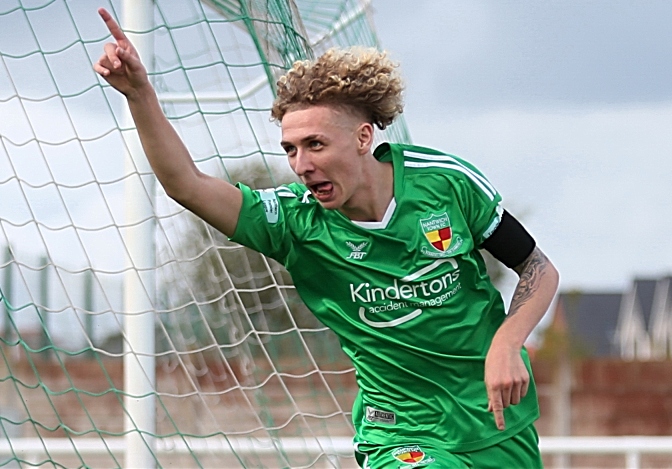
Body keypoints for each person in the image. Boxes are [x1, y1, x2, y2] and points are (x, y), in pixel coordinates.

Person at [94, 7, 559, 469]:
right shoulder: (294, 222)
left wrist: (507, 342)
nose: (301, 164)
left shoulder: (445, 183)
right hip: (401, 431)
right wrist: (139, 94)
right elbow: (186, 184)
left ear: (362, 137)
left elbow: (537, 270)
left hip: (495, 420)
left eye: (315, 144)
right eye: (290, 150)